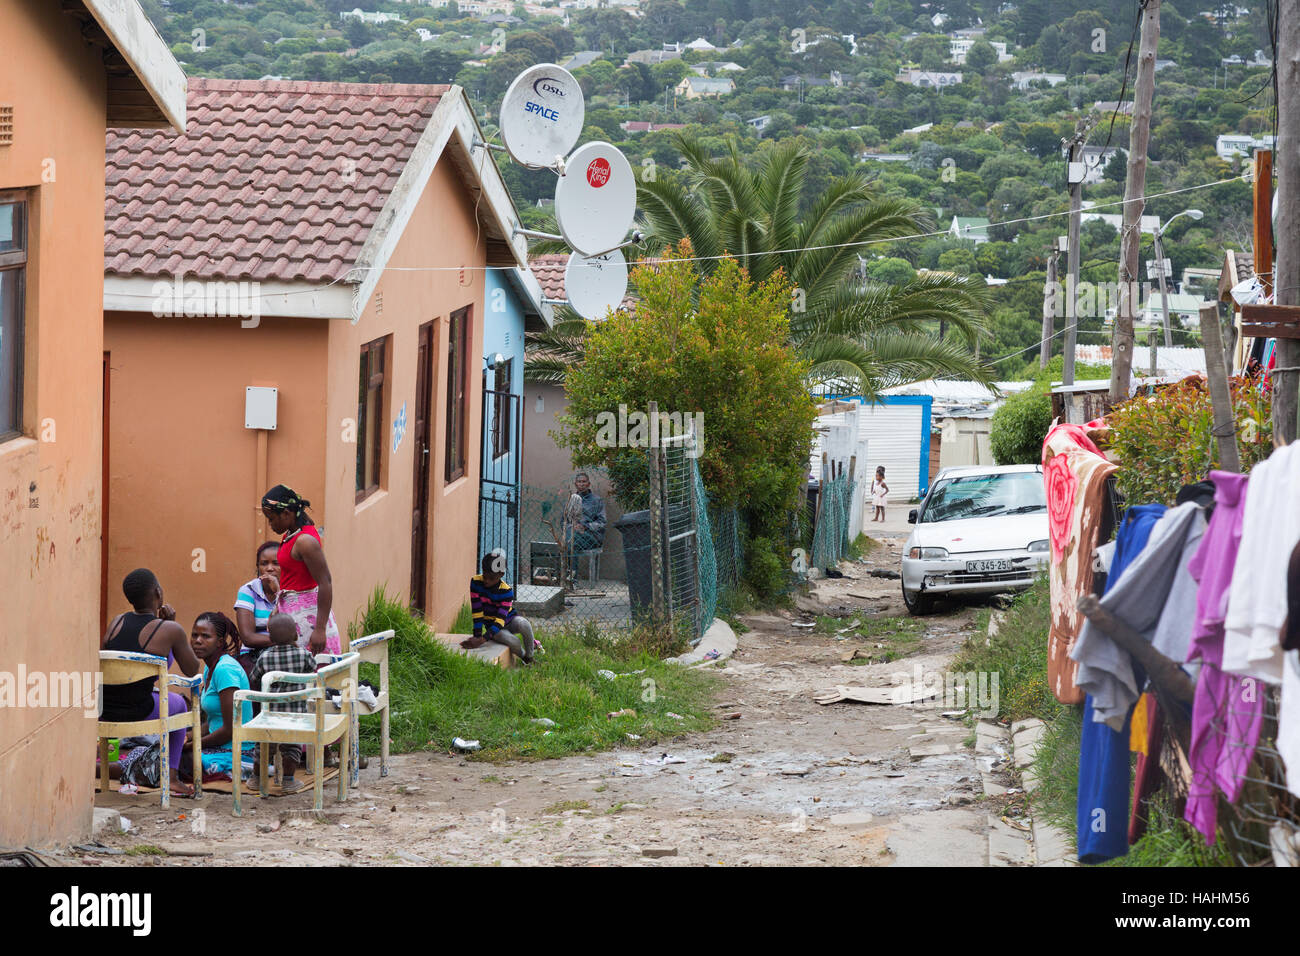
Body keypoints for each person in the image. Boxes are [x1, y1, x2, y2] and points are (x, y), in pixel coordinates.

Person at [100, 569, 203, 796]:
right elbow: (192, 668)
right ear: (158, 592)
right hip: (140, 709)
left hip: (106, 710)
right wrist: (172, 627)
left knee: (157, 695)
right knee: (179, 704)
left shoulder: (116, 622)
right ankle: (172, 777)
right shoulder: (170, 629)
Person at [261, 484, 341, 655]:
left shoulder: (304, 541)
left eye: (271, 518)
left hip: (309, 622)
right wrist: (278, 608)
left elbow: (325, 582)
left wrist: (319, 630)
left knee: (316, 676)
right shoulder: (290, 535)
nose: (270, 524)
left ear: (287, 514)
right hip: (295, 620)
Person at [249, 613, 318, 793]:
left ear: (270, 637)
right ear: (296, 635)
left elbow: (254, 678)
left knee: (263, 746)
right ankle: (288, 780)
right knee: (292, 747)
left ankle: (257, 779)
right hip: (294, 716)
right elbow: (313, 670)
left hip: (270, 716)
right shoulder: (304, 655)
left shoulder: (264, 657)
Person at [189, 611, 255, 779]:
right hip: (216, 747)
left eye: (205, 636)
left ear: (219, 642)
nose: (197, 641)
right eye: (194, 635)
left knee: (166, 761)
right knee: (156, 753)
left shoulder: (225, 669)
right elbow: (213, 722)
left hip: (235, 751)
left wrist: (191, 745)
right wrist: (188, 736)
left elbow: (229, 729)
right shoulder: (210, 667)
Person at [463, 551, 537, 664]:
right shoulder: (475, 582)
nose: (487, 581)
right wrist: (477, 637)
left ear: (501, 574)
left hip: (508, 621)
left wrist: (482, 640)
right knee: (514, 642)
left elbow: (500, 620)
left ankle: (530, 656)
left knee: (524, 624)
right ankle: (524, 658)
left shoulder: (506, 591)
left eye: (492, 578)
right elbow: (477, 612)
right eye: (485, 576)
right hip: (493, 627)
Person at [232, 540, 280, 679]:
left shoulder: (291, 593)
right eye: (264, 564)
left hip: (284, 652)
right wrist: (284, 639)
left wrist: (279, 592)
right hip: (253, 656)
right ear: (258, 567)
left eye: (276, 563)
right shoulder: (248, 591)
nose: (269, 568)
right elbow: (248, 637)